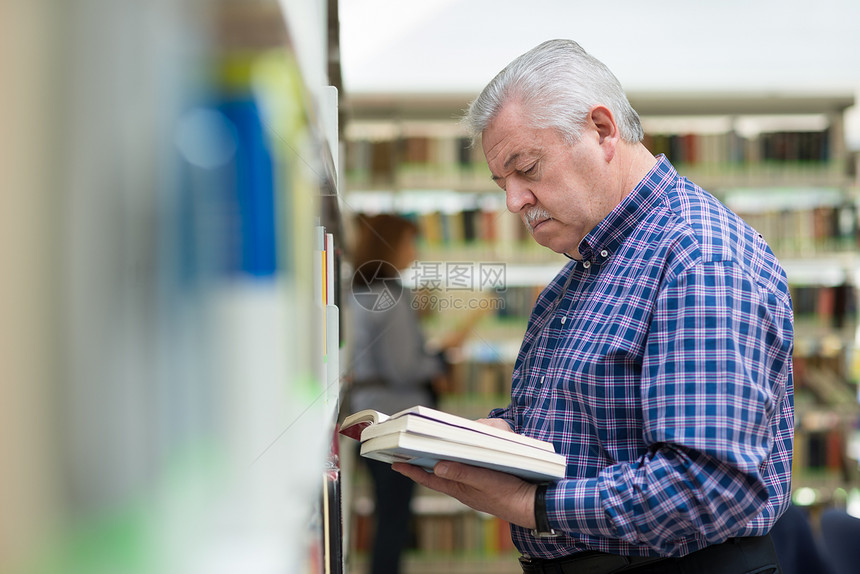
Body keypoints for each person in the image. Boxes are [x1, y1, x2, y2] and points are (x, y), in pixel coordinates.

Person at [393, 39, 794, 574]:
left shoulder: (698, 257)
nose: (513, 201)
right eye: (502, 182)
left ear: (602, 131)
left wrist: (528, 504)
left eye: (527, 168)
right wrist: (496, 439)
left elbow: (708, 485)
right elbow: (590, 425)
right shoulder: (579, 273)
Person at [347, 213, 476, 574]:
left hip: (367, 412)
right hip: (394, 419)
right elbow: (404, 368)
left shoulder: (359, 292)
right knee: (394, 517)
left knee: (385, 512)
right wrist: (440, 359)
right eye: (409, 242)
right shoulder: (389, 294)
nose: (414, 252)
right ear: (390, 247)